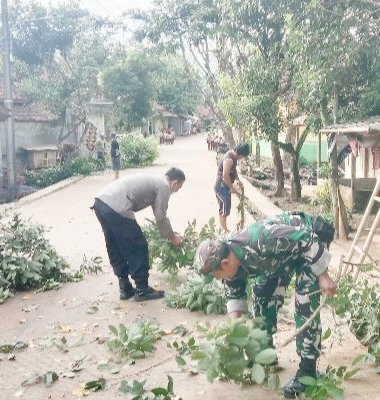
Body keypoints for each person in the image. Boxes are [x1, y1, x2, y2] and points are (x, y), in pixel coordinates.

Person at [194, 213, 337, 398]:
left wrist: (323, 275)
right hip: (278, 257)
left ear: (224, 263)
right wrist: (235, 336)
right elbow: (235, 300)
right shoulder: (230, 265)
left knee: (305, 302)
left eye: (215, 274)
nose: (216, 279)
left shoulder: (262, 239)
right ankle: (265, 354)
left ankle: (307, 372)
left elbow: (308, 240)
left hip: (309, 241)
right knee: (262, 298)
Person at [92, 168, 185, 301]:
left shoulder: (155, 181)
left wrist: (167, 233)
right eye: (179, 188)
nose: (177, 190)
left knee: (115, 246)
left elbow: (157, 214)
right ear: (175, 183)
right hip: (117, 206)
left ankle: (125, 287)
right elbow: (161, 217)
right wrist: (173, 238)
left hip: (101, 203)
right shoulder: (164, 186)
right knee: (138, 245)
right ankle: (142, 290)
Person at [214, 143, 250, 231]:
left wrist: (238, 180)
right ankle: (225, 230)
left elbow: (233, 170)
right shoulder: (229, 159)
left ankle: (225, 229)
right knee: (224, 210)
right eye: (242, 156)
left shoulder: (233, 155)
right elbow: (225, 176)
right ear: (240, 154)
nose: (241, 158)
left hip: (225, 186)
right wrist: (231, 187)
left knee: (226, 208)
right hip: (221, 187)